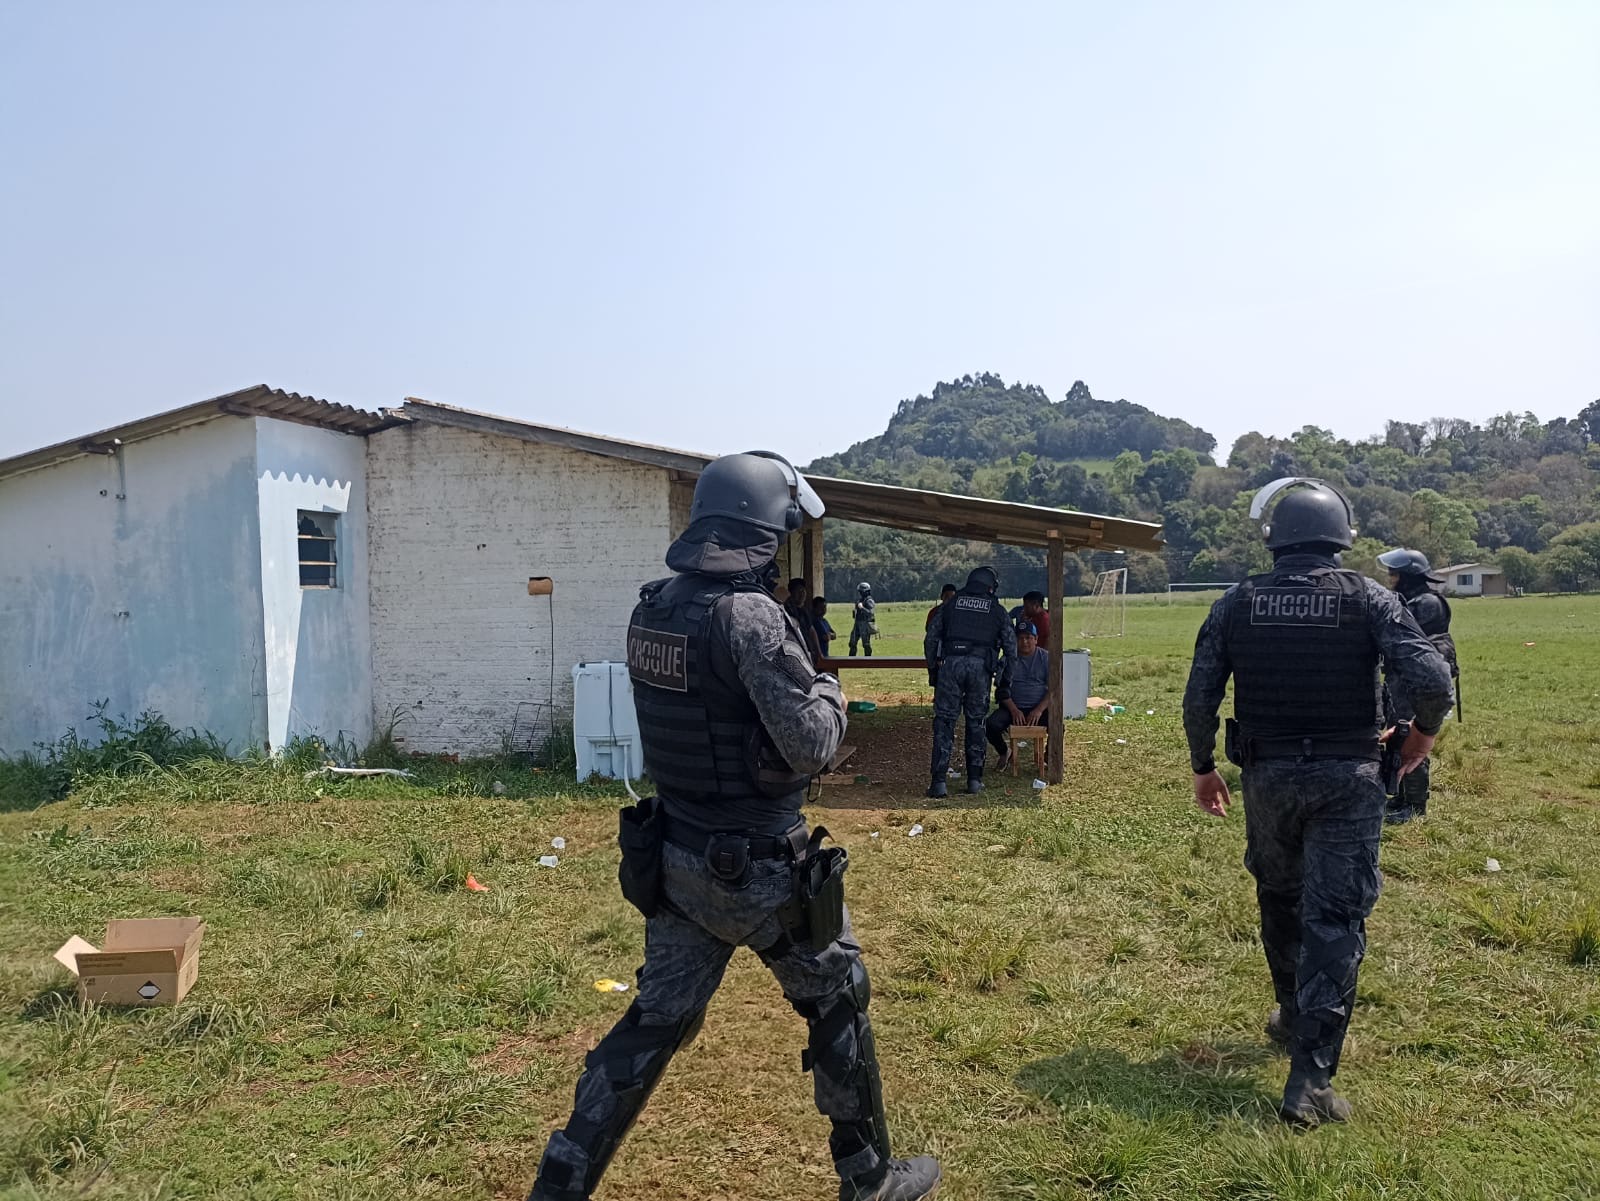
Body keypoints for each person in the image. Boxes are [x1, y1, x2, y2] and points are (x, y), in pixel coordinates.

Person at [528, 452, 940, 1201]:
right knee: (838, 994)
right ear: (761, 530)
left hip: (677, 860)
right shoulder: (748, 615)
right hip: (758, 869)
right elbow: (811, 742)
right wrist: (829, 688)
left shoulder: (652, 607)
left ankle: (562, 1178)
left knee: (654, 1023)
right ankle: (869, 1176)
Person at [1181, 477, 1453, 1129]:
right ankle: (1311, 1080)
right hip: (1349, 781)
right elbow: (1433, 680)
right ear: (1340, 539)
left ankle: (1291, 1012)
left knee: (1279, 895)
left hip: (1268, 778)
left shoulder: (1237, 601)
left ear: (1275, 541)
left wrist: (1202, 767)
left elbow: (1199, 696)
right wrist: (1419, 738)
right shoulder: (1366, 598)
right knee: (1336, 920)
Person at [1376, 548, 1457, 825]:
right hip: (1403, 678)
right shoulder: (1414, 599)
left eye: (1395, 573)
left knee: (1409, 736)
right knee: (1397, 735)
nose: (1390, 577)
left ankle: (1415, 805)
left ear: (1408, 575)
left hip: (1416, 682)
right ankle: (1400, 796)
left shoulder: (1425, 603)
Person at [924, 565, 1017, 797]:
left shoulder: (950, 604)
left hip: (951, 665)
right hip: (981, 669)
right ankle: (974, 781)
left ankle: (938, 783)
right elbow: (1011, 650)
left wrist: (933, 670)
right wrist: (1004, 682)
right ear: (990, 586)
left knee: (944, 722)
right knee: (976, 723)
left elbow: (931, 638)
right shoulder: (997, 610)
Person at [987, 621, 1050, 771]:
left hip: (1038, 707)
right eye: (1020, 638)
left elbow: (1055, 689)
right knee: (990, 725)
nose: (1024, 641)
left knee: (1058, 725)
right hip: (1012, 708)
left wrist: (1039, 710)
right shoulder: (1007, 659)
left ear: (1036, 639)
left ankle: (1050, 756)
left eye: (1028, 637)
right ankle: (1004, 752)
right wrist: (1014, 710)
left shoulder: (1046, 658)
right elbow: (1001, 690)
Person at [785, 577, 825, 662]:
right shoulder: (787, 609)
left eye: (803, 590)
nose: (802, 593)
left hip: (807, 651)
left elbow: (812, 631)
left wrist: (819, 652)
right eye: (798, 591)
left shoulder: (804, 611)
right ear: (791, 593)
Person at [849, 582, 876, 656]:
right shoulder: (860, 600)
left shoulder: (869, 600)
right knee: (852, 643)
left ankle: (868, 661)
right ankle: (851, 660)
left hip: (865, 624)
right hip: (857, 623)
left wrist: (862, 608)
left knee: (866, 644)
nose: (860, 593)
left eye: (861, 591)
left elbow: (871, 613)